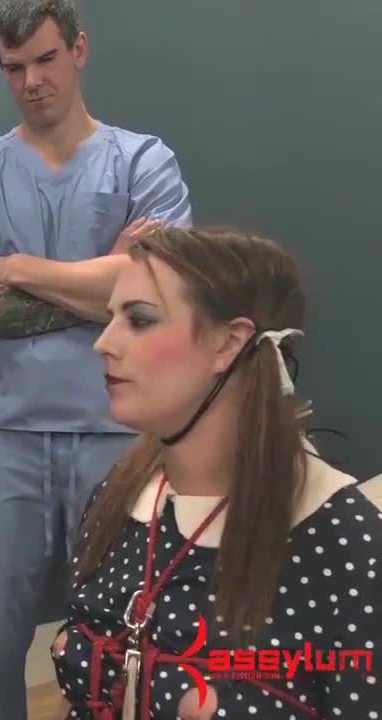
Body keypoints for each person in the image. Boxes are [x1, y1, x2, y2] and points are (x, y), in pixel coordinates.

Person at [0, 1, 193, 716]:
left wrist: (19, 268)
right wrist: (106, 281)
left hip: (116, 433)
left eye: (45, 59)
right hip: (1, 435)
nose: (31, 81)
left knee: (125, 632)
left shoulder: (144, 162)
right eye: (14, 68)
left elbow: (161, 293)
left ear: (79, 49)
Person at [53, 226, 382, 718]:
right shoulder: (117, 498)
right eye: (109, 317)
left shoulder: (343, 541)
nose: (103, 342)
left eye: (139, 319)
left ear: (229, 342)